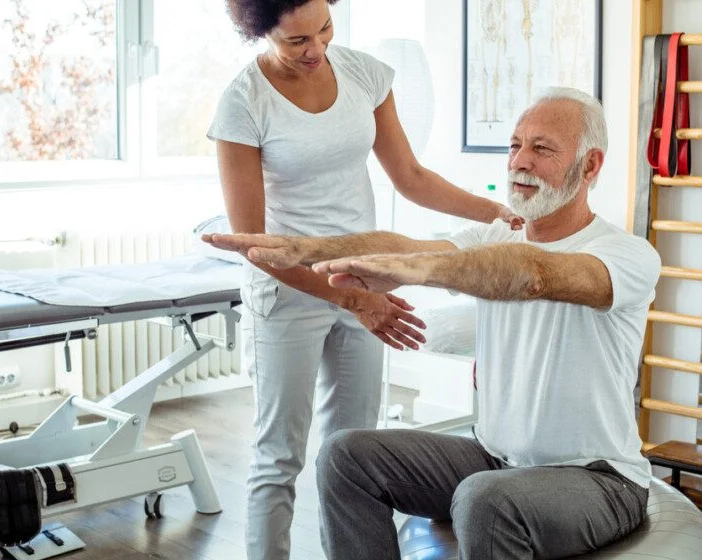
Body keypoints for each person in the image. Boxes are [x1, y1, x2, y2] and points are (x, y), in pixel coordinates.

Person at [203, 87, 662, 559]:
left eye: (541, 149)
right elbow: (408, 245)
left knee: (483, 499)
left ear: (589, 166)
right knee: (345, 457)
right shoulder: (493, 233)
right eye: (514, 145)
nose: (519, 162)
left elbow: (533, 275)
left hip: (597, 478)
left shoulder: (624, 255)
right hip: (495, 458)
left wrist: (424, 270)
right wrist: (309, 248)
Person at [209, 1, 521, 558]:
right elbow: (256, 244)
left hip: (365, 282)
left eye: (325, 29)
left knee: (351, 452)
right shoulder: (243, 103)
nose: (316, 50)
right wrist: (349, 298)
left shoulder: (364, 74)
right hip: (289, 292)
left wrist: (498, 215)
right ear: (259, 33)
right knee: (279, 455)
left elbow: (412, 177)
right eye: (296, 40)